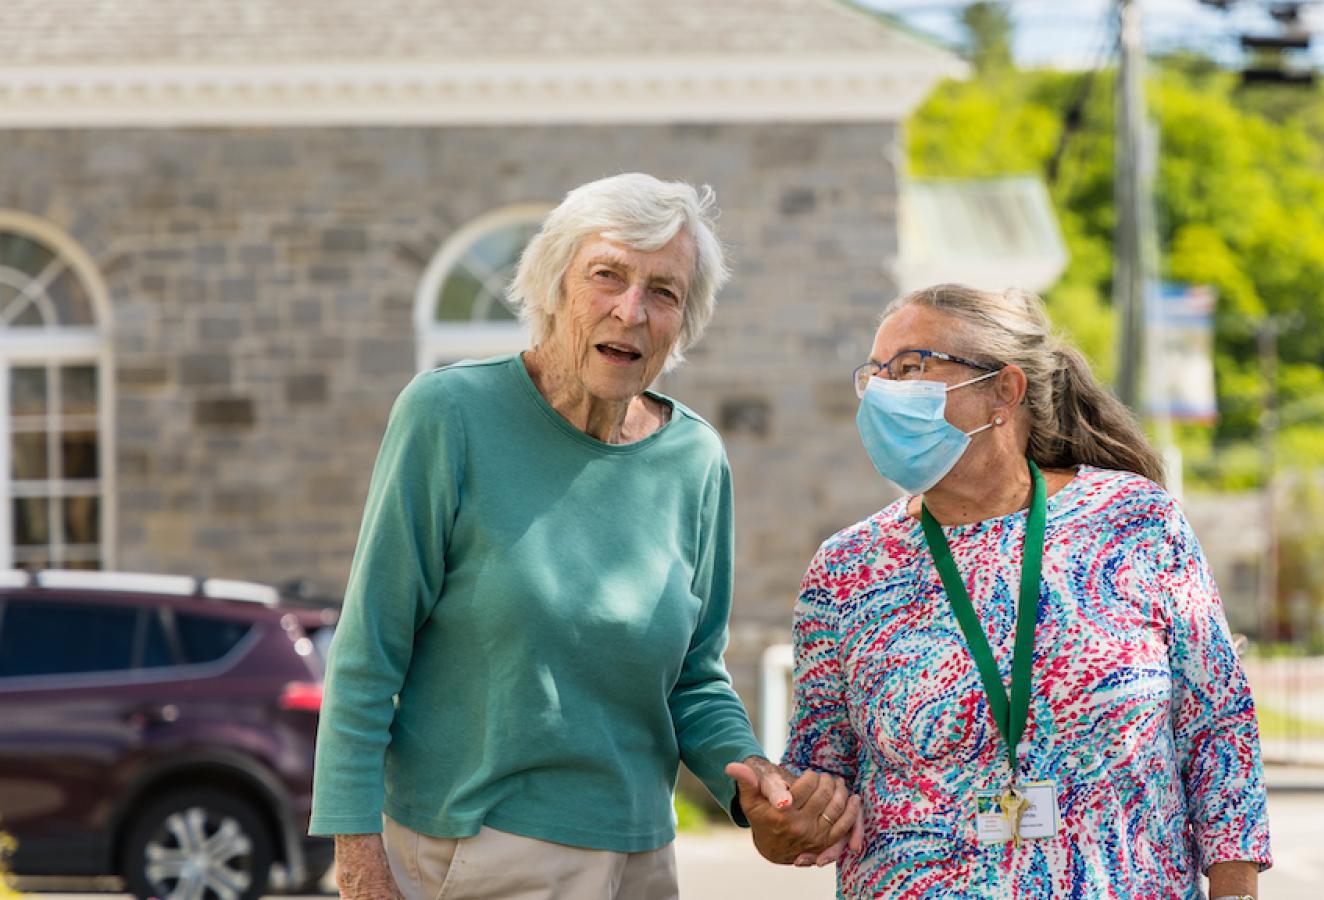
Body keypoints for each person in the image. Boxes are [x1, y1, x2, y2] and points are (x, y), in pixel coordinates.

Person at [311, 173, 858, 900]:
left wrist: (753, 779)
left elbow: (694, 674)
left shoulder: (694, 458)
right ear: (555, 286)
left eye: (663, 291)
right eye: (608, 276)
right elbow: (367, 654)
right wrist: (359, 862)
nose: (631, 310)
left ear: (682, 321)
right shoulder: (449, 415)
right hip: (473, 852)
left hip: (642, 858)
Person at [783, 284, 1272, 898]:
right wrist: (786, 815)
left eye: (911, 368)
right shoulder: (847, 568)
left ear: (1002, 393)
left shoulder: (1132, 520)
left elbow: (1218, 726)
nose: (886, 392)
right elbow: (818, 772)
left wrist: (1235, 889)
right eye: (876, 374)